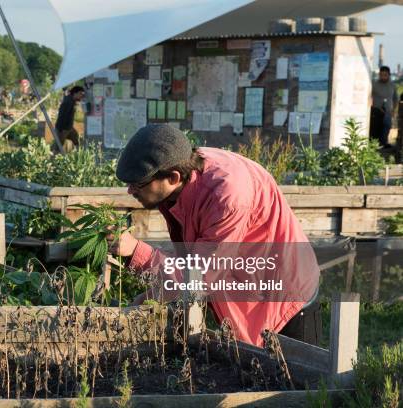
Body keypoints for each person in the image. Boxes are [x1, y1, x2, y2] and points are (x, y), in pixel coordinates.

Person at [109, 124, 320, 347]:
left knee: (295, 379)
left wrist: (136, 252)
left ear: (172, 177)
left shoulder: (226, 198)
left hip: (284, 299)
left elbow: (199, 276)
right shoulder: (183, 168)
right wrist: (148, 298)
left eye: (138, 184)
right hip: (247, 286)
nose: (130, 191)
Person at [371, 66, 398, 148]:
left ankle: (384, 143)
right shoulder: (374, 84)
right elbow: (369, 97)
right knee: (376, 129)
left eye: (385, 75)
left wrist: (394, 110)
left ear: (389, 75)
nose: (383, 77)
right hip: (376, 112)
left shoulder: (392, 85)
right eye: (381, 75)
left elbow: (395, 99)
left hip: (388, 112)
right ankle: (374, 144)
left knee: (387, 126)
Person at [55, 86, 85, 152]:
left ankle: (79, 156)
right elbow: (62, 116)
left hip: (69, 128)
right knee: (58, 148)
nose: (82, 96)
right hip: (63, 129)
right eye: (80, 94)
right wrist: (61, 130)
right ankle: (52, 159)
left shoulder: (71, 100)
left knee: (78, 141)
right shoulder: (68, 102)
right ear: (75, 93)